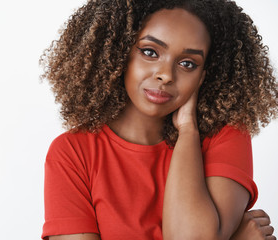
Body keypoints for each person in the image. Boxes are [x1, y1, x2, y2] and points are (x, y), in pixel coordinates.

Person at [40, 0, 278, 239]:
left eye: (187, 64)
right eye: (150, 52)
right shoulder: (72, 153)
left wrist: (187, 131)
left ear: (203, 76)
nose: (165, 75)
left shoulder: (225, 137)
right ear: (118, 52)